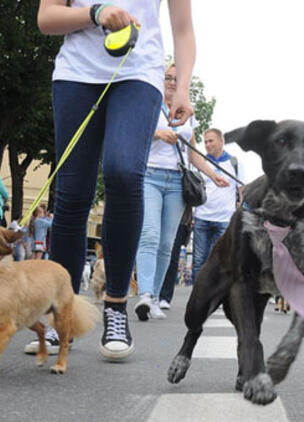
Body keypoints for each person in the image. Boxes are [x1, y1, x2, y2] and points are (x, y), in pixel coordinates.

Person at [30, 0, 195, 361]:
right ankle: (63, 315)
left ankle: (116, 306)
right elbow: (46, 18)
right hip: (75, 76)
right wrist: (94, 13)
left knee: (123, 171)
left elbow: (183, 29)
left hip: (138, 74)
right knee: (72, 195)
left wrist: (182, 87)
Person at [134, 63, 227, 322]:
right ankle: (144, 293)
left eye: (177, 78)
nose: (173, 82)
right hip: (150, 176)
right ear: (160, 79)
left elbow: (192, 151)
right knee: (149, 235)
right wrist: (158, 134)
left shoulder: (188, 113)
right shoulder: (149, 103)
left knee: (167, 243)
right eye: (168, 77)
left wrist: (213, 174)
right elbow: (135, 136)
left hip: (177, 181)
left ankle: (153, 298)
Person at [191, 128, 244, 283]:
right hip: (202, 217)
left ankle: (217, 299)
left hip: (225, 220)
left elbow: (241, 191)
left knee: (221, 261)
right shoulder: (200, 163)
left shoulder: (235, 163)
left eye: (211, 141)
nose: (207, 145)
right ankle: (198, 301)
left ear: (221, 141)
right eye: (205, 141)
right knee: (199, 261)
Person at [158, 206, 193, 310]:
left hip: (180, 215)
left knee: (172, 254)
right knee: (153, 250)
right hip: (156, 213)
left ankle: (165, 296)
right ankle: (149, 292)